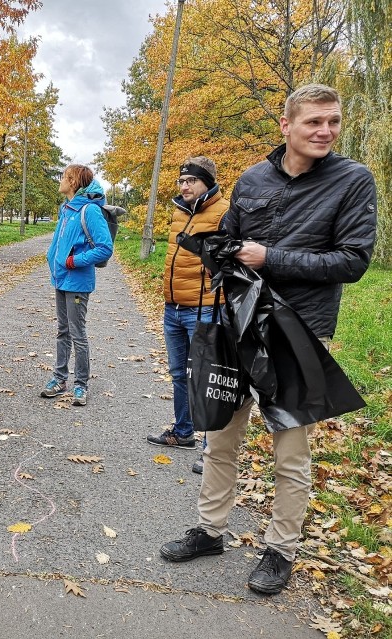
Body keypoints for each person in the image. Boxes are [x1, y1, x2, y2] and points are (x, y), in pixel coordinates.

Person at [160, 84, 377, 595]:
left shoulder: (352, 181)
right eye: (314, 122)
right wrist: (215, 249)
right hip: (238, 322)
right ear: (287, 126)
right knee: (221, 435)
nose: (325, 131)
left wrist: (269, 257)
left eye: (334, 122)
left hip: (299, 331)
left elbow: (353, 261)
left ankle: (281, 550)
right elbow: (233, 236)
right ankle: (210, 531)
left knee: (290, 450)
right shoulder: (254, 178)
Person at [146, 157, 228, 476]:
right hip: (173, 306)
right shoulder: (180, 211)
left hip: (205, 307)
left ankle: (212, 449)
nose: (184, 186)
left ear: (207, 181)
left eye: (191, 181)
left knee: (207, 377)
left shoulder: (224, 212)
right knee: (179, 373)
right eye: (181, 181)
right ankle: (183, 433)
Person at [40, 164, 113, 407]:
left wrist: (74, 261)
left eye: (64, 177)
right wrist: (53, 258)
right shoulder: (67, 209)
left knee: (77, 333)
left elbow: (105, 248)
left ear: (73, 182)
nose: (60, 180)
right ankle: (59, 379)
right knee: (63, 330)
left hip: (77, 281)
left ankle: (81, 384)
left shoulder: (90, 211)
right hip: (61, 279)